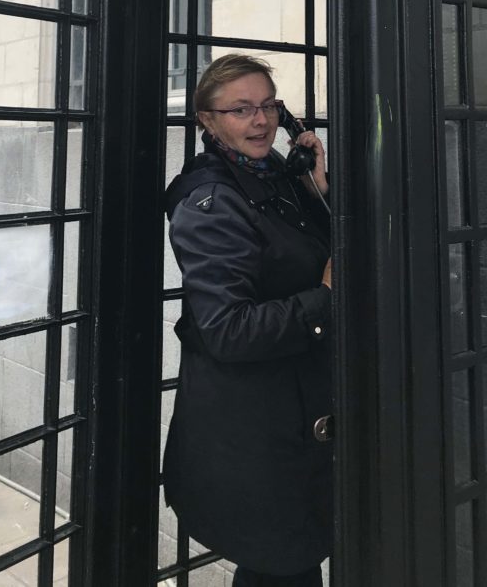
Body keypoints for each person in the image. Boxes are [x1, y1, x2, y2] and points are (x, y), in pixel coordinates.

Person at [163, 54, 332, 587]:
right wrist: (326, 297)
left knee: (286, 560)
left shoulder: (275, 180)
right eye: (241, 110)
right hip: (256, 430)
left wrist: (316, 186)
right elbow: (228, 329)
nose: (260, 122)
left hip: (296, 416)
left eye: (269, 107)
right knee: (282, 562)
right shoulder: (212, 201)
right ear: (207, 121)